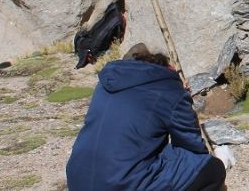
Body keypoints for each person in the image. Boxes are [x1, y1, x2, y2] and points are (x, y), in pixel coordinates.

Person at [66, 44, 225, 191]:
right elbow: (191, 145)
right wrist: (182, 99)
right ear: (167, 69)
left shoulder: (105, 84)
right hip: (120, 183)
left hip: (77, 178)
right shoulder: (168, 87)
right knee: (212, 169)